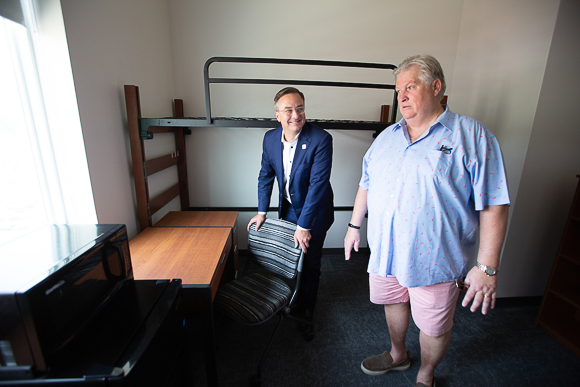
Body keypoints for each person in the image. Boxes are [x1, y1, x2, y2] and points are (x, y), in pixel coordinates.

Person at [344, 55, 510, 387]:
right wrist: (353, 226)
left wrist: (487, 266)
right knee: (392, 301)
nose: (401, 95)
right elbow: (366, 182)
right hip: (386, 253)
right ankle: (397, 354)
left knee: (434, 326)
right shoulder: (386, 138)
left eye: (410, 86)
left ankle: (425, 376)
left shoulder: (471, 135)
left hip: (434, 259)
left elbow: (494, 202)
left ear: (436, 87)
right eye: (398, 89)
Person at [248, 87, 334, 341]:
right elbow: (265, 175)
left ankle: (307, 310)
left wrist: (305, 225)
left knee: (309, 262)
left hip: (314, 211)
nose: (296, 115)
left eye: (300, 108)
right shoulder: (270, 138)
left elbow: (318, 187)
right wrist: (262, 211)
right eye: (289, 110)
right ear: (277, 115)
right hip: (288, 209)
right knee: (290, 258)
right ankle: (292, 298)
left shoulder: (321, 139)